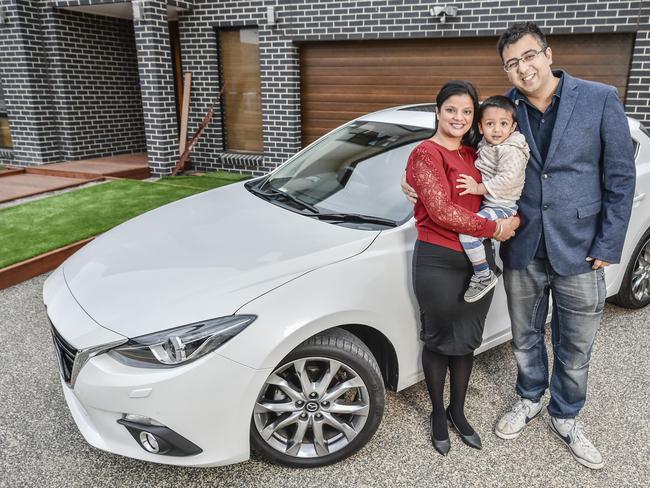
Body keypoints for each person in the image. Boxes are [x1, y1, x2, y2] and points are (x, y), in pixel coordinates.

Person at [402, 22, 636, 470]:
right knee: (525, 337)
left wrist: (610, 241)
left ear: (548, 54)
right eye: (512, 63)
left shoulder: (599, 98)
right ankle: (529, 398)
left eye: (529, 56)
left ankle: (566, 417)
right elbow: (452, 149)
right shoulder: (503, 110)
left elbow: (620, 178)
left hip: (582, 247)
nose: (522, 67)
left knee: (576, 343)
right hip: (521, 245)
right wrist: (409, 179)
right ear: (506, 71)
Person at [406, 80, 519, 456]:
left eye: (467, 111)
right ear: (438, 111)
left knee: (467, 340)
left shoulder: (477, 152)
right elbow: (440, 211)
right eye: (451, 109)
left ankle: (458, 410)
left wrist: (512, 221)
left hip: (478, 261)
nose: (459, 117)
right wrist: (495, 228)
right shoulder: (426, 154)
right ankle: (438, 414)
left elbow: (509, 185)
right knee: (439, 340)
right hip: (438, 260)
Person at [456, 96, 530, 303]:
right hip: (493, 203)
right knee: (476, 234)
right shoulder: (487, 144)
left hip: (502, 206)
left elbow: (508, 179)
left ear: (513, 127)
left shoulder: (510, 150)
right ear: (480, 127)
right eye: (490, 124)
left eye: (503, 124)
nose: (496, 130)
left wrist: (478, 188)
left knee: (468, 234)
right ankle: (491, 268)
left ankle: (483, 275)